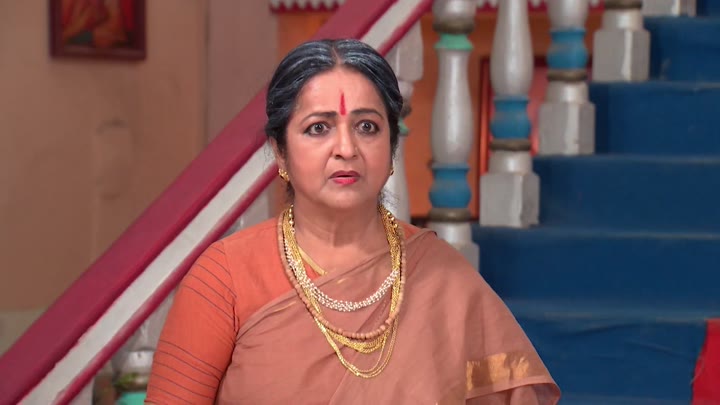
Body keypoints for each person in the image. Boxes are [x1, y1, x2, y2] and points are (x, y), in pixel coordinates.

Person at [145, 39, 560, 404]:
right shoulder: (225, 278)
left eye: (366, 127)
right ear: (280, 152)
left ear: (391, 146)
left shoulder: (443, 276)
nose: (346, 148)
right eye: (318, 128)